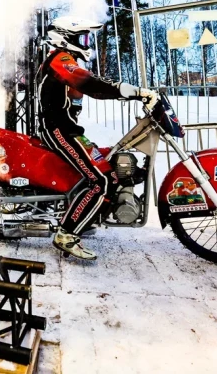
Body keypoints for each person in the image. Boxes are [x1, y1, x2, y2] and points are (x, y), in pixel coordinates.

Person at [37, 17, 157, 261]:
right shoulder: (61, 59)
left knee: (107, 170)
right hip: (58, 130)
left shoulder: (66, 60)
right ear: (65, 37)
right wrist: (135, 92)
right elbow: (90, 84)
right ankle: (66, 234)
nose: (86, 42)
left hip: (69, 129)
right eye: (82, 37)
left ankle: (85, 216)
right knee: (100, 180)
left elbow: (92, 87)